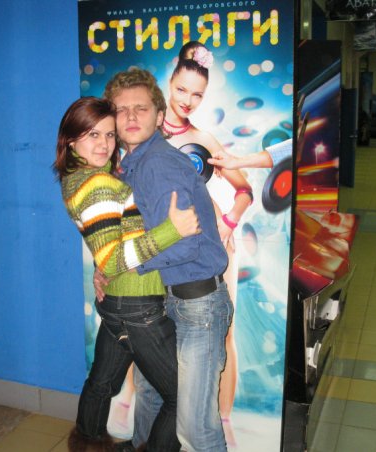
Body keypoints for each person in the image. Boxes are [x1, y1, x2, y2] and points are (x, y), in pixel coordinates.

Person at [54, 97, 201, 452]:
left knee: (102, 382)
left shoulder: (77, 178)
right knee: (182, 397)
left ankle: (88, 445)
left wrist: (101, 268)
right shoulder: (97, 184)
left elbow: (105, 248)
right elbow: (113, 258)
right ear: (71, 140)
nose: (104, 144)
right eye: (92, 134)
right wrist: (173, 230)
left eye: (109, 135)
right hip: (137, 307)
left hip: (119, 303)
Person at [103, 68, 234, 452]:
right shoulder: (132, 165)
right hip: (166, 301)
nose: (130, 117)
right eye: (121, 109)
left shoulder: (158, 164)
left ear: (159, 116)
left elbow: (182, 247)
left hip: (196, 305)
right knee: (151, 394)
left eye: (141, 108)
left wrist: (123, 265)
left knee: (195, 428)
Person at [163, 41, 253, 445]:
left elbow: (244, 190)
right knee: (154, 332)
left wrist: (229, 222)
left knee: (221, 334)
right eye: (182, 89)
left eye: (197, 94)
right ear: (169, 83)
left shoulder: (204, 138)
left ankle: (221, 421)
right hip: (163, 251)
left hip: (211, 251)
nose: (187, 100)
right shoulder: (143, 132)